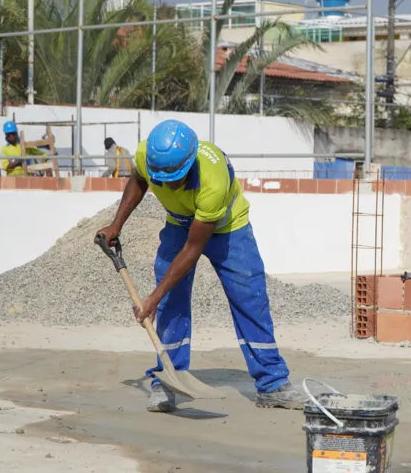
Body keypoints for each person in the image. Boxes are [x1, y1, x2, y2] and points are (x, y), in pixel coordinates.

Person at [95, 119, 306, 413]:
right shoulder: (148, 154)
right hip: (179, 222)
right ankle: (168, 380)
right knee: (172, 302)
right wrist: (116, 225)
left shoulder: (213, 180)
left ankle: (272, 384)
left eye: (174, 178)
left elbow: (193, 249)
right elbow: (140, 179)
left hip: (227, 227)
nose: (167, 185)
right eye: (162, 178)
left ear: (189, 163)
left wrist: (152, 298)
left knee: (249, 299)